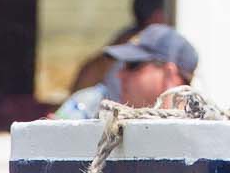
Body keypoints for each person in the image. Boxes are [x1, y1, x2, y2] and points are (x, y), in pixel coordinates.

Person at [54, 25, 199, 119]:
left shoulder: (207, 130)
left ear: (168, 74)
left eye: (133, 65)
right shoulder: (93, 106)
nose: (120, 74)